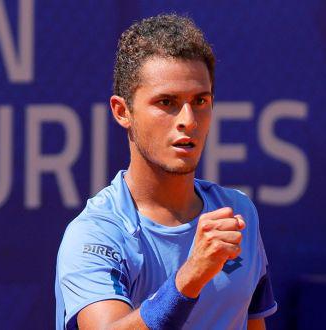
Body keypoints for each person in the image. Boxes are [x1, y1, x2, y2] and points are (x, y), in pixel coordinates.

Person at [55, 14, 277, 330]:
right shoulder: (95, 235)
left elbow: (251, 323)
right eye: (167, 102)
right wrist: (191, 276)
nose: (189, 119)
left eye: (200, 100)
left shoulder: (239, 213)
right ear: (122, 112)